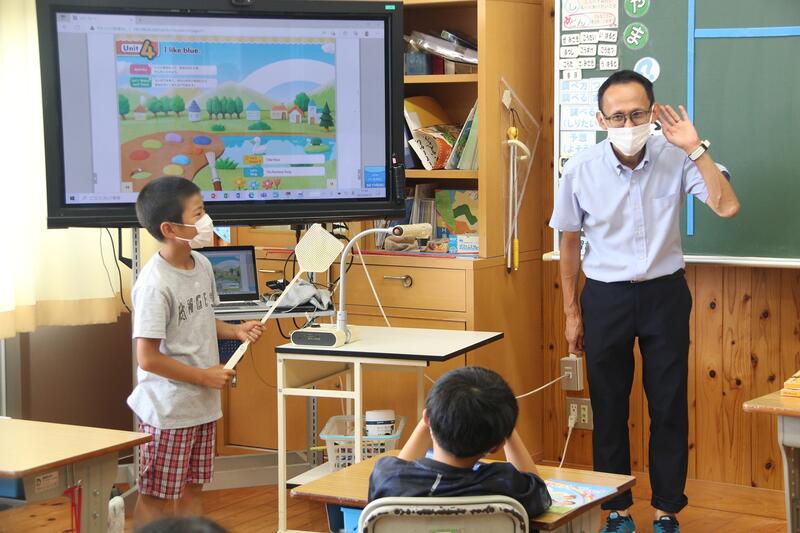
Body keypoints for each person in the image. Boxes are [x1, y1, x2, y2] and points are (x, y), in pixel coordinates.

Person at [550, 70, 740, 533]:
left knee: (668, 405)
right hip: (605, 297)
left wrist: (695, 148)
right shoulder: (580, 169)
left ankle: (667, 511)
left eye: (637, 114)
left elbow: (727, 206)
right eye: (617, 116)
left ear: (653, 113)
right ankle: (617, 510)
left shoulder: (677, 157)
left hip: (664, 294)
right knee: (609, 407)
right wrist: (572, 313)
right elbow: (569, 242)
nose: (628, 123)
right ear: (601, 120)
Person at [128, 177, 264, 527]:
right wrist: (203, 376)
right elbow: (147, 358)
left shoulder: (201, 265)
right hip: (168, 411)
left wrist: (235, 330)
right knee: (156, 496)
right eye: (198, 213)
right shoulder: (155, 284)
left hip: (202, 407)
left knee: (193, 489)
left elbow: (202, 319)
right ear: (170, 228)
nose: (207, 221)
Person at [368, 366, 552, 519]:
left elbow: (400, 470)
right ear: (497, 445)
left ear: (426, 418)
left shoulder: (388, 477)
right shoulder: (504, 484)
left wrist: (428, 420)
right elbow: (538, 489)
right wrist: (506, 429)